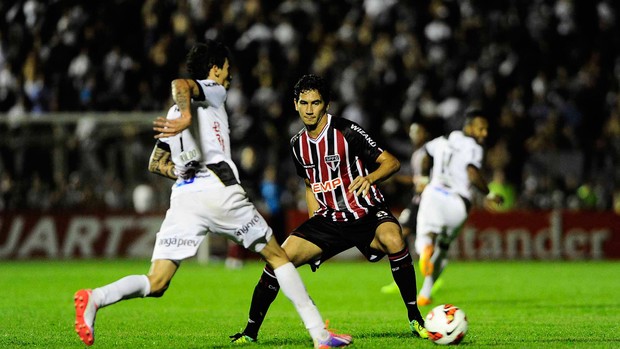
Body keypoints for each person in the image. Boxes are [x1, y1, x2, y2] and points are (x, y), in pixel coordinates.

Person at [73, 41, 352, 349]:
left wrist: (178, 163)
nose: (229, 77)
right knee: (277, 257)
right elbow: (180, 84)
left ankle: (96, 298)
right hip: (219, 188)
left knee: (157, 282)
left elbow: (156, 163)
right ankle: (321, 335)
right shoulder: (213, 90)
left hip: (184, 198)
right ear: (216, 69)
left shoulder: (171, 112)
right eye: (227, 70)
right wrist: (187, 116)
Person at [227, 74, 429, 344]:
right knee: (278, 261)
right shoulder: (297, 144)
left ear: (326, 105)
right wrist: (314, 224)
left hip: (366, 212)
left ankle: (415, 318)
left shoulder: (346, 131)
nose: (310, 109)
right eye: (304, 103)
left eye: (316, 103)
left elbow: (391, 163)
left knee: (394, 239)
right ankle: (250, 333)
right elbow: (310, 184)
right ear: (295, 105)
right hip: (329, 220)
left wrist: (370, 178)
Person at [414, 109, 503, 306]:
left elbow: (425, 155)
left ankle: (425, 251)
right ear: (469, 127)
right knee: (444, 249)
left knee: (424, 238)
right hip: (458, 204)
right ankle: (425, 293)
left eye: (486, 130)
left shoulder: (445, 139)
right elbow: (472, 172)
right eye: (481, 129)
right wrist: (488, 193)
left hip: (433, 194)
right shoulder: (474, 147)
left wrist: (423, 179)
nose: (484, 134)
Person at [380, 121, 432, 295]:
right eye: (412, 131)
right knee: (414, 236)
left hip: (423, 200)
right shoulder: (418, 152)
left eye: (417, 131)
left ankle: (409, 277)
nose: (414, 135)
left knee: (401, 233)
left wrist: (395, 179)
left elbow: (423, 181)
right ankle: (417, 276)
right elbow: (417, 179)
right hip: (419, 199)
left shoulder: (426, 153)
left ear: (425, 133)